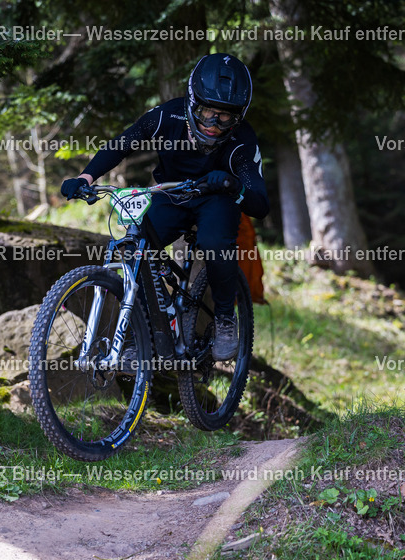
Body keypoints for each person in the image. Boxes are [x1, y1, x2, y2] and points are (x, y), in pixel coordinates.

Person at [61, 53, 269, 361]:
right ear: (190, 101)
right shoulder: (166, 116)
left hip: (216, 199)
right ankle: (141, 337)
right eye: (206, 111)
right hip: (170, 194)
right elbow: (123, 143)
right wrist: (85, 177)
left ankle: (225, 318)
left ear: (237, 117)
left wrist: (231, 184)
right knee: (135, 250)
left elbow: (260, 204)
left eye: (225, 117)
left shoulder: (242, 141)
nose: (213, 123)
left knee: (214, 243)